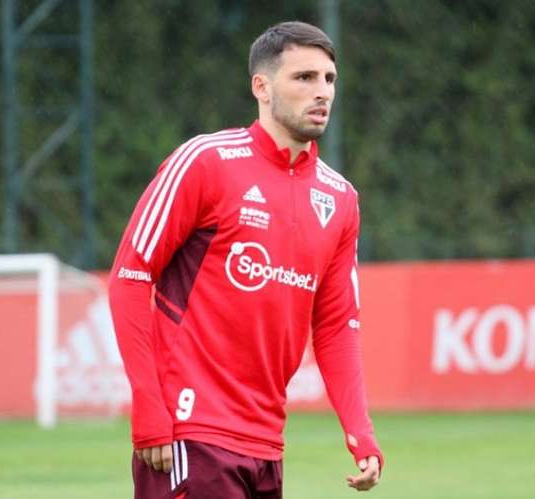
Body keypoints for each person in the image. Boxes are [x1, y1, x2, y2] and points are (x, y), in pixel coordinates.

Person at [108, 20, 383, 498]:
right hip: (190, 433)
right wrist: (149, 405)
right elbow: (130, 277)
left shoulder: (340, 199)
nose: (322, 92)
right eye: (303, 78)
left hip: (266, 443)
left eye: (329, 79)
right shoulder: (205, 162)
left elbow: (338, 324)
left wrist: (360, 430)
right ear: (262, 86)